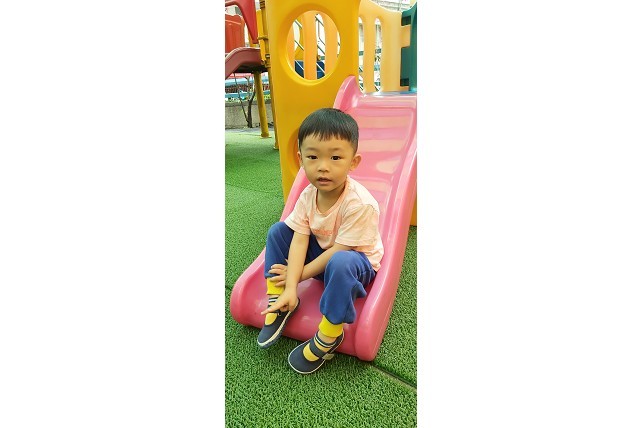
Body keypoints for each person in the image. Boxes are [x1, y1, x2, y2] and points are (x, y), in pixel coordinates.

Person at [257, 107, 384, 374]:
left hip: (355, 265)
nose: (323, 166)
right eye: (313, 157)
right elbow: (299, 239)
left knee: (340, 262)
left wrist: (298, 274)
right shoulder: (307, 195)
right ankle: (279, 296)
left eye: (335, 157)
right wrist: (291, 286)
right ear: (301, 159)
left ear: (353, 162)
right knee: (278, 231)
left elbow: (339, 251)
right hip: (323, 256)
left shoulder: (360, 204)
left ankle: (330, 333)